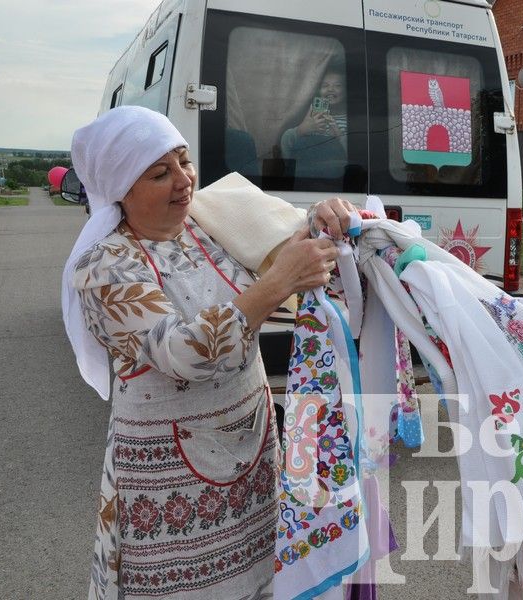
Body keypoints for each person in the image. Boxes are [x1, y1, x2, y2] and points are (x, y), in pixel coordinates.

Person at [61, 105, 355, 599]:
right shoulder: (104, 265)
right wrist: (280, 279)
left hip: (253, 456)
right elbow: (182, 353)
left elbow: (288, 235)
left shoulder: (210, 218)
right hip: (173, 488)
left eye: (184, 161)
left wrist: (325, 218)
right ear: (121, 191)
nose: (184, 182)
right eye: (160, 173)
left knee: (264, 578)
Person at [280, 67, 348, 159]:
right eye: (325, 85)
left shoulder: (351, 121)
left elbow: (356, 155)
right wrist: (301, 130)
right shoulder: (312, 118)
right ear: (319, 91)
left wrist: (339, 136)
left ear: (346, 90)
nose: (330, 89)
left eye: (338, 85)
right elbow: (286, 143)